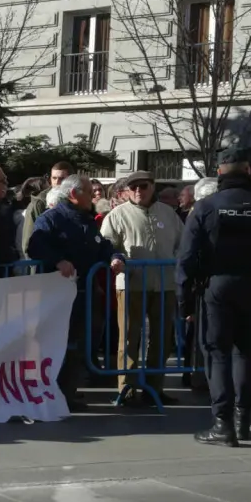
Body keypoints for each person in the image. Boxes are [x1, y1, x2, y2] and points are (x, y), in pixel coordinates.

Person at [27, 175, 126, 411]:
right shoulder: (51, 219)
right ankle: (48, 393)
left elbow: (101, 245)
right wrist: (57, 260)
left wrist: (115, 257)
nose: (93, 196)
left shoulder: (87, 220)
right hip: (56, 295)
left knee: (78, 344)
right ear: (74, 194)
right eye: (88, 191)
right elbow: (35, 246)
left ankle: (68, 393)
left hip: (84, 294)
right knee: (57, 343)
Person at [178, 148, 251, 446]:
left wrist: (184, 300)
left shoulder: (207, 206)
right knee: (246, 352)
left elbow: (186, 256)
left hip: (217, 286)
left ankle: (223, 424)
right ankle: (243, 420)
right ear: (248, 170)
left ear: (219, 171)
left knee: (217, 352)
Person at [99, 171, 184, 404]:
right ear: (126, 190)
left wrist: (177, 264)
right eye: (133, 187)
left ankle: (155, 388)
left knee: (161, 338)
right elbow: (106, 246)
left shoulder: (169, 214)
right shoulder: (117, 215)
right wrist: (115, 259)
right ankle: (126, 389)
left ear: (152, 186)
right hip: (130, 285)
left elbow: (182, 243)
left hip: (164, 285)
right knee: (128, 338)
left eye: (143, 186)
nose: (138, 191)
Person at [20, 162, 74, 257]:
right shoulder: (39, 203)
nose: (57, 182)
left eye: (62, 179)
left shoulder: (77, 199)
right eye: (54, 178)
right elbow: (28, 243)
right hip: (48, 262)